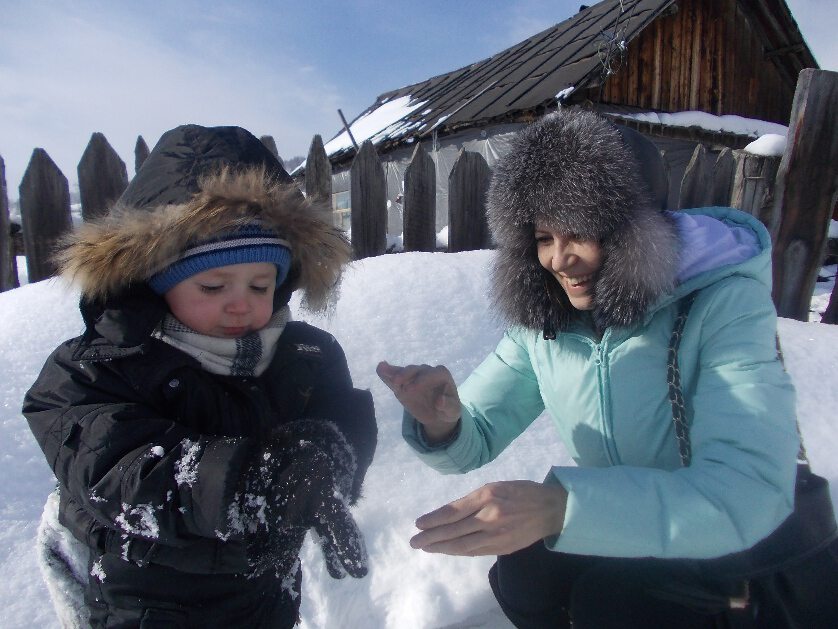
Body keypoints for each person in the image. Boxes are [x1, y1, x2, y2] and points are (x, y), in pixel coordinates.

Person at [377, 109, 800, 628]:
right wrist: (441, 418)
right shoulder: (547, 323)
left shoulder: (723, 303)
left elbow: (749, 489)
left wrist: (562, 507)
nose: (559, 259)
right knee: (524, 574)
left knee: (615, 602)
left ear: (636, 230)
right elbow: (479, 435)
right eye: (543, 237)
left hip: (729, 541)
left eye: (581, 233)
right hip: (625, 521)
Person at [24, 124, 377, 628]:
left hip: (264, 595)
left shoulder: (305, 355)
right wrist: (250, 481)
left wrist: (324, 463)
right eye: (213, 286)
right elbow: (114, 469)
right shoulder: (98, 367)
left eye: (260, 284)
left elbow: (341, 418)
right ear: (155, 281)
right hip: (146, 602)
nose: (241, 304)